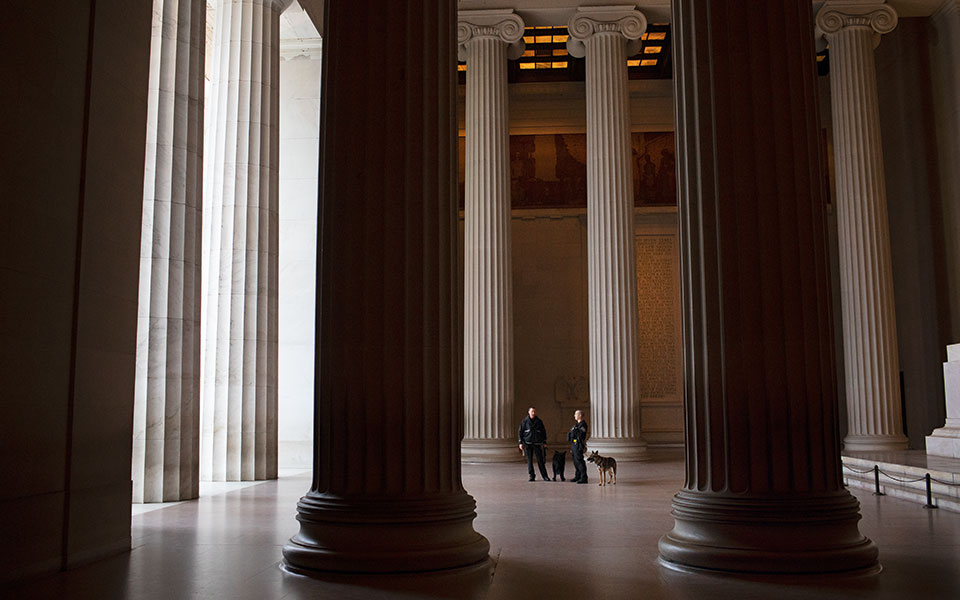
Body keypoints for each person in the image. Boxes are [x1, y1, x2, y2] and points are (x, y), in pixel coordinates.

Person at [518, 407, 550, 482]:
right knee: (529, 461)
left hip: (537, 443)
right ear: (528, 412)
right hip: (527, 443)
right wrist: (520, 442)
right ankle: (531, 476)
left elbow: (543, 432)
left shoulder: (539, 421)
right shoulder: (524, 421)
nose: (533, 413)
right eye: (532, 411)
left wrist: (544, 442)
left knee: (540, 460)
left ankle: (545, 476)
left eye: (534, 411)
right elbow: (520, 432)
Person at [568, 409, 589, 484]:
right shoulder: (576, 425)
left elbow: (580, 435)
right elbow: (571, 436)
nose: (574, 416)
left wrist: (575, 432)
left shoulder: (583, 425)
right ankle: (578, 476)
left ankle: (584, 477)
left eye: (576, 414)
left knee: (580, 461)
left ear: (580, 415)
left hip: (579, 445)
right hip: (574, 444)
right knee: (575, 462)